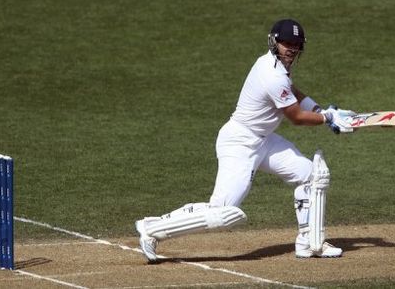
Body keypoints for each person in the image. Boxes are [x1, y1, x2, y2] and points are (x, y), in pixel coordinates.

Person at [135, 19, 355, 263]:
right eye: (286, 43)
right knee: (223, 212)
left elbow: (292, 91)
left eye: (295, 44)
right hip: (239, 142)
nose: (291, 48)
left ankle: (310, 243)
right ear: (274, 42)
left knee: (312, 176)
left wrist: (321, 109)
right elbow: (296, 117)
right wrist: (327, 118)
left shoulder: (279, 67)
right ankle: (152, 228)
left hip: (264, 140)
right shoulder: (271, 74)